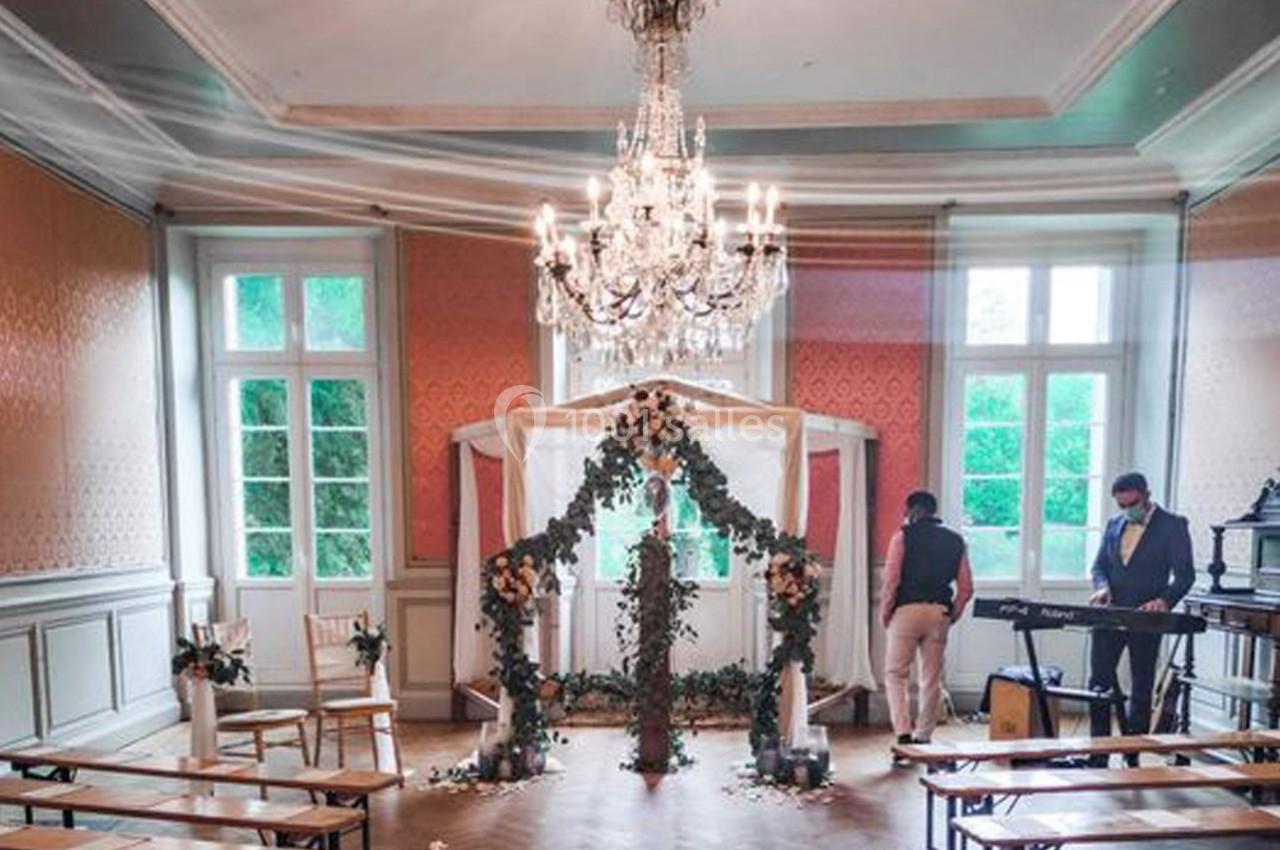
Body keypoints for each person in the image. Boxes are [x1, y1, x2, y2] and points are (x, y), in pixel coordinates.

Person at [1088, 472, 1195, 743]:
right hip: (1110, 614)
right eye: (1121, 506)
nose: (1126, 510)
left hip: (1147, 617)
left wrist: (1164, 601)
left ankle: (1133, 749)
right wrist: (1102, 587)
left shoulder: (1173, 525)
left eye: (1131, 504)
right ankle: (1097, 749)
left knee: (1142, 683)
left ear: (1146, 495)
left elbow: (1185, 575)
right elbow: (1099, 566)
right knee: (1099, 682)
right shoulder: (1114, 524)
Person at [880, 490, 973, 765]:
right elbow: (966, 587)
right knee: (931, 677)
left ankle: (903, 735)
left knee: (895, 674)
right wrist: (952, 614)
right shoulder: (956, 540)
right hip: (938, 612)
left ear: (910, 511)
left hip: (906, 611)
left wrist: (886, 615)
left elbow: (891, 581)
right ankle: (924, 737)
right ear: (934, 511)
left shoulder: (902, 537)